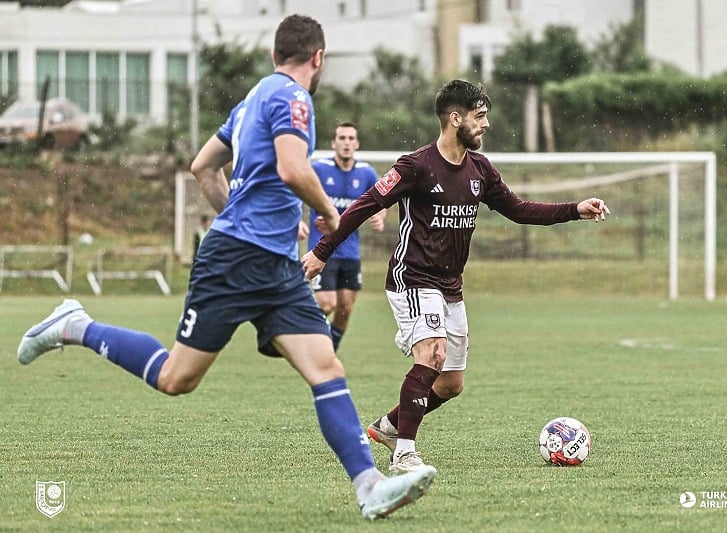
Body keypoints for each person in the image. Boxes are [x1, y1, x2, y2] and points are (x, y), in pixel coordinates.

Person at [17, 14, 435, 520]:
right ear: (318, 58)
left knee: (326, 367)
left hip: (274, 265)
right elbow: (292, 167)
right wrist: (328, 211)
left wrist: (246, 215)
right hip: (235, 261)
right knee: (177, 377)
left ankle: (369, 485)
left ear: (275, 54)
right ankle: (75, 326)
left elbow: (203, 167)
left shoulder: (253, 98)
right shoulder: (293, 98)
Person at [301, 79, 610, 473]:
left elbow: (519, 209)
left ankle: (393, 426)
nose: (485, 125)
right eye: (479, 117)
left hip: (451, 288)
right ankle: (405, 455)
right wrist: (321, 252)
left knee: (450, 384)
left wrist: (574, 209)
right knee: (432, 352)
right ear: (454, 118)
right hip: (411, 279)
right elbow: (364, 206)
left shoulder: (480, 169)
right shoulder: (415, 166)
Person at [306, 122, 386, 352]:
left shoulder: (366, 173)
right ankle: (309, 342)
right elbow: (294, 192)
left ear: (357, 144)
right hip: (322, 250)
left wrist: (380, 216)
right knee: (327, 303)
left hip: (350, 252)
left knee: (345, 309)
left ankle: (328, 352)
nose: (346, 143)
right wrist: (300, 222)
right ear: (334, 143)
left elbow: (384, 198)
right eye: (342, 138)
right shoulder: (319, 169)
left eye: (351, 138)